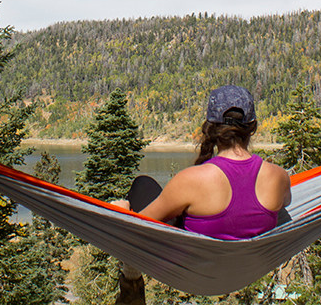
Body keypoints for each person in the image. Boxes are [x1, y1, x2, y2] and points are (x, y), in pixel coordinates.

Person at [112, 85, 291, 305]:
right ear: (252, 128)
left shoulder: (192, 180)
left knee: (143, 186)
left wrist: (121, 212)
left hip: (191, 273)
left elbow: (138, 226)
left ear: (210, 128)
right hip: (244, 272)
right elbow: (287, 203)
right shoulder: (279, 177)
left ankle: (132, 274)